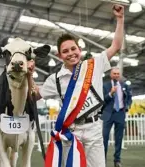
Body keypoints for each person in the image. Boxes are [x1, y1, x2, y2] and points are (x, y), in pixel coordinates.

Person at [28, 4, 124, 167]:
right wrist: (30, 75)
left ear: (79, 49)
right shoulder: (55, 79)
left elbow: (116, 46)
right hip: (71, 132)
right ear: (59, 55)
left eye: (73, 49)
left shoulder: (94, 65)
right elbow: (35, 95)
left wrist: (120, 19)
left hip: (94, 129)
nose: (71, 53)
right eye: (65, 51)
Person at [101, 67, 132, 167]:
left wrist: (127, 105)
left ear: (120, 75)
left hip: (120, 113)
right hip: (108, 114)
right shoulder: (105, 85)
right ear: (110, 74)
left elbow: (129, 97)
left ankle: (117, 160)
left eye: (118, 74)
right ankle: (102, 161)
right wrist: (110, 93)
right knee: (104, 138)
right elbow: (102, 100)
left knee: (119, 138)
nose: (116, 75)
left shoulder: (124, 85)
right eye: (114, 73)